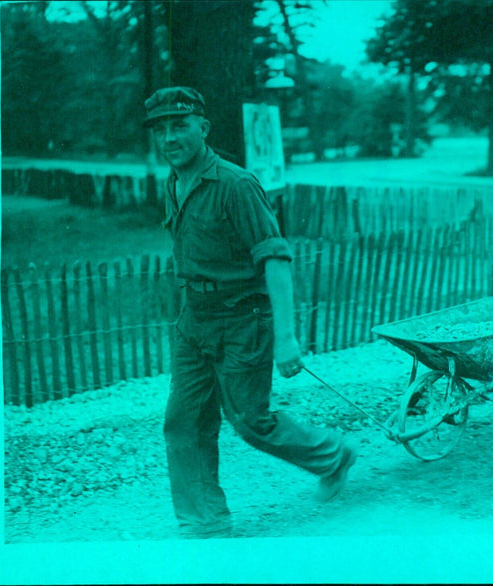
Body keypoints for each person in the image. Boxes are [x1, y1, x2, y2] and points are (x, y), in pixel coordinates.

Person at [143, 86, 357, 538]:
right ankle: (205, 524)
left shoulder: (235, 184)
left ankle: (334, 455)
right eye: (160, 129)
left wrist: (286, 337)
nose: (169, 138)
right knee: (183, 422)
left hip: (243, 321)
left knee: (251, 423)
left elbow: (274, 259)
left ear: (203, 128)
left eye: (179, 125)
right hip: (194, 321)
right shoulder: (174, 182)